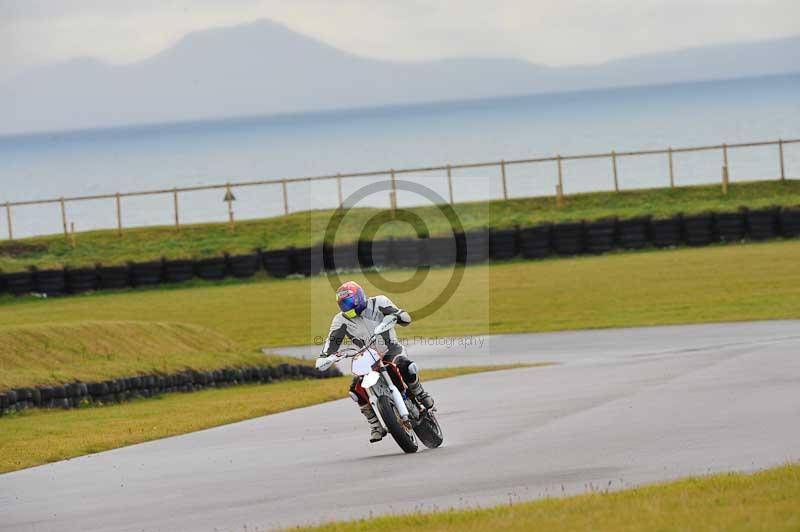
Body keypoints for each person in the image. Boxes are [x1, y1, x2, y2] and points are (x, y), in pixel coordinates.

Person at [318, 281, 434, 442]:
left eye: (350, 301)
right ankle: (375, 424)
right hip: (366, 356)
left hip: (389, 348)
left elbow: (402, 316)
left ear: (359, 297)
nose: (347, 306)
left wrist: (398, 315)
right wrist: (325, 356)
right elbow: (332, 341)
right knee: (355, 390)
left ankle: (420, 393)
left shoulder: (379, 302)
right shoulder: (340, 319)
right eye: (343, 303)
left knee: (406, 366)